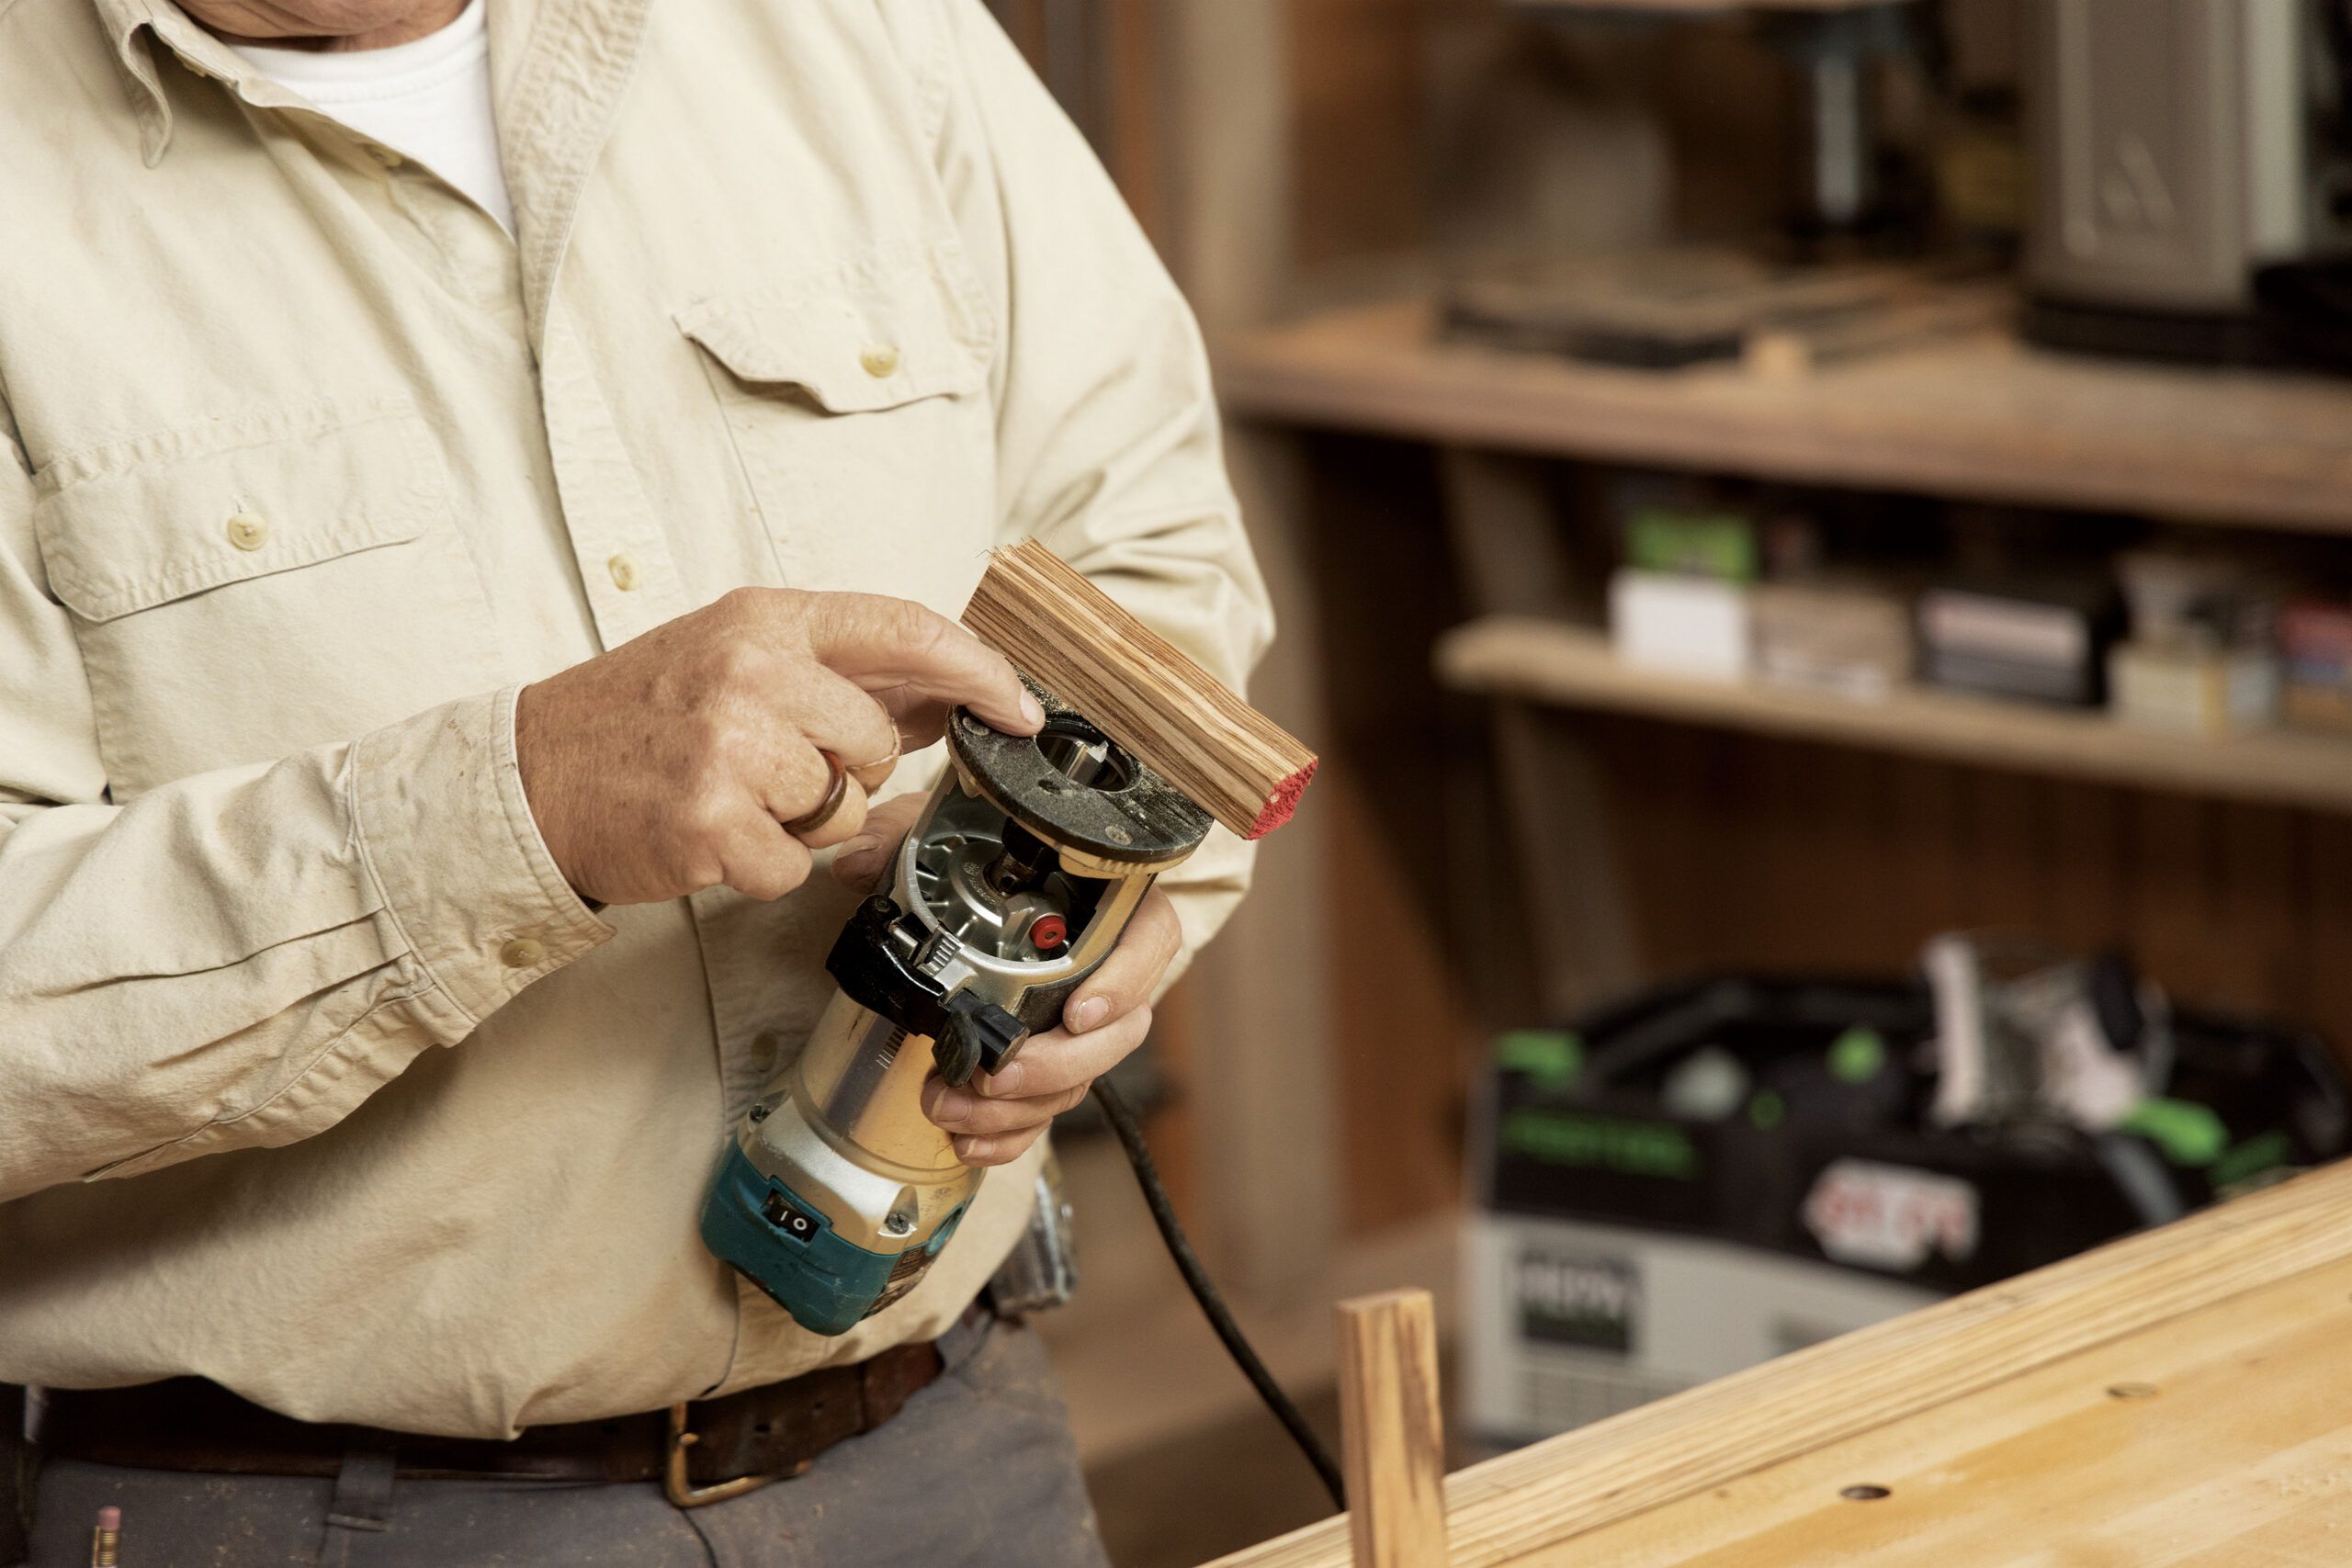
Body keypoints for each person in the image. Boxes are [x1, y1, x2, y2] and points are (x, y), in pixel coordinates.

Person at [0, 0, 1271, 1561]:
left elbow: (1147, 560)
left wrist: (1098, 904)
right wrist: (509, 807)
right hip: (313, 1512)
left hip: (947, 1447)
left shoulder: (865, 30)